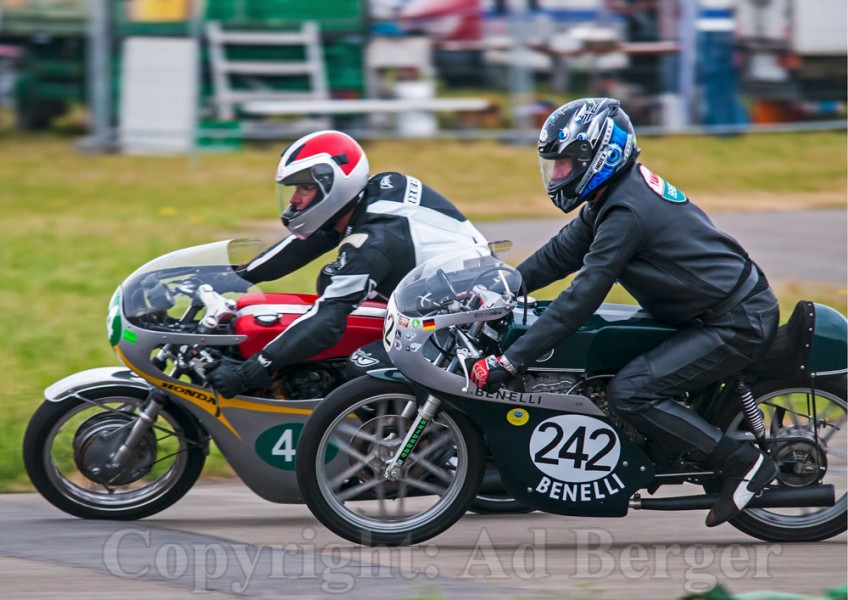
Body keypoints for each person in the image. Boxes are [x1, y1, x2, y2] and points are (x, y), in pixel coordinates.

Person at [469, 98, 780, 528]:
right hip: (702, 313)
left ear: (603, 154)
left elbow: (581, 297)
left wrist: (511, 359)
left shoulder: (626, 209)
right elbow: (560, 254)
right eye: (553, 166)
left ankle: (743, 462)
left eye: (563, 164)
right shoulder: (611, 194)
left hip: (733, 320)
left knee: (631, 391)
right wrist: (498, 288)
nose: (557, 175)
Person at [207, 130, 486, 399]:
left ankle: (401, 443)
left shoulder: (374, 242)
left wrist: (252, 370)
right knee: (331, 279)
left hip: (463, 331)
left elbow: (327, 323)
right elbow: (310, 241)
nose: (294, 199)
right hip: (453, 302)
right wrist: (236, 276)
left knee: (363, 368)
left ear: (334, 186)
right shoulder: (377, 191)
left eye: (305, 188)